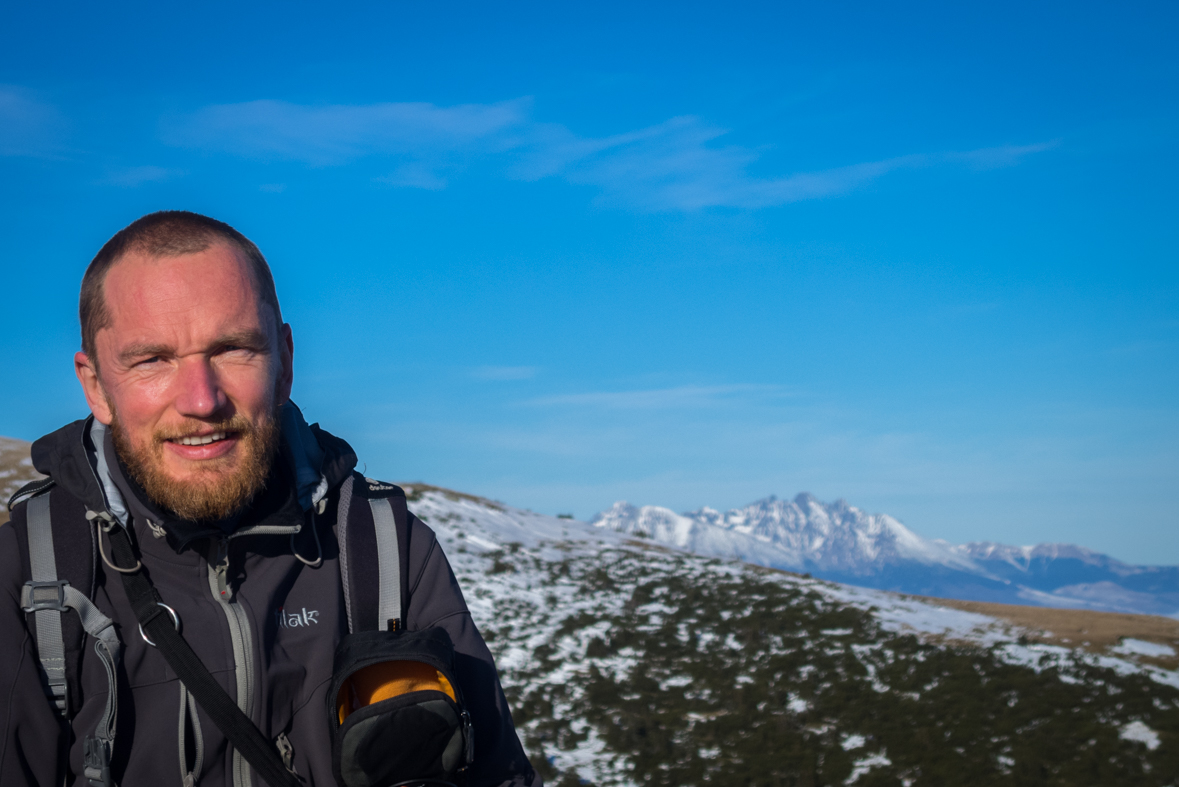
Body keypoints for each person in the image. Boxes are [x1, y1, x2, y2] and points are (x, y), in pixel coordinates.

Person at [0, 211, 541, 787]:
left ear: (284, 361)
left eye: (234, 349)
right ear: (95, 386)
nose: (201, 401)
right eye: (152, 360)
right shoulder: (30, 576)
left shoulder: (385, 549)